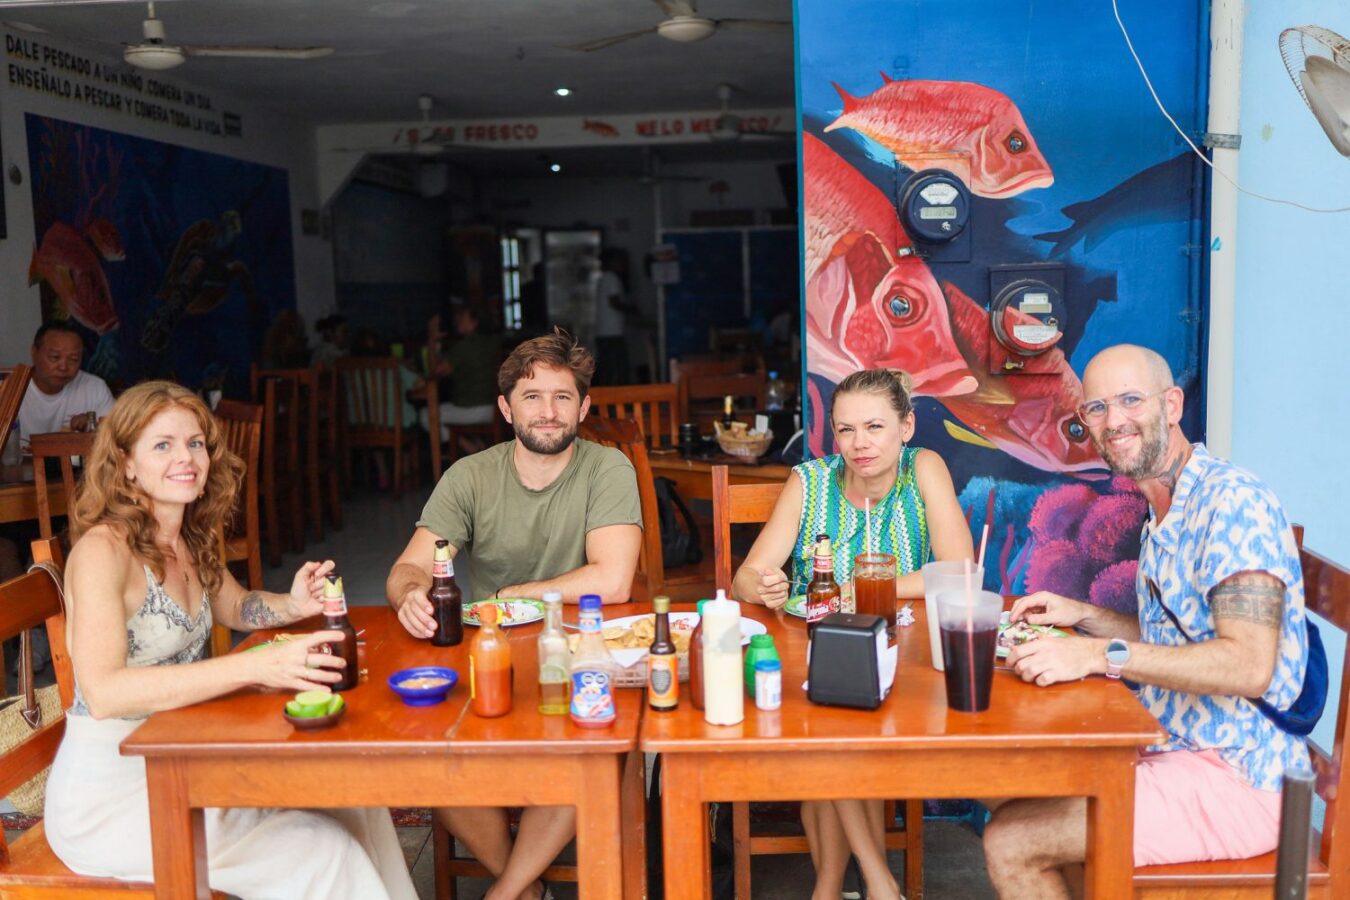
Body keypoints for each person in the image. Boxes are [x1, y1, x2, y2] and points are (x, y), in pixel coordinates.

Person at [43, 380, 416, 899]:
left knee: (354, 801)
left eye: (195, 443)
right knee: (323, 852)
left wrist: (293, 605)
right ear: (125, 463)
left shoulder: (186, 538)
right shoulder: (102, 552)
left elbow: (238, 606)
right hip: (113, 795)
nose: (186, 457)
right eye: (163, 445)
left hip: (183, 758)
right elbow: (104, 693)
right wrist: (255, 666)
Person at [982, 344, 1311, 897]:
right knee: (1007, 783)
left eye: (1131, 400)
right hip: (1172, 747)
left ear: (1172, 405)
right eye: (1097, 408)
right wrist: (1086, 617)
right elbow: (1177, 640)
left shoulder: (1232, 503)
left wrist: (1096, 655)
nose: (1114, 421)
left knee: (1011, 840)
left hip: (1243, 776)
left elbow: (1248, 666)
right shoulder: (1164, 508)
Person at [386, 328, 641, 900]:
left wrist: (516, 593)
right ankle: (524, 891)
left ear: (584, 407)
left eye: (562, 396)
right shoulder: (470, 475)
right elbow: (409, 567)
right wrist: (410, 594)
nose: (548, 412)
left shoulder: (608, 468)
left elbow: (613, 579)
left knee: (593, 756)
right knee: (429, 758)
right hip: (490, 653)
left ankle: (503, 893)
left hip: (580, 652)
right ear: (506, 409)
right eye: (532, 397)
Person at [732, 368, 974, 900]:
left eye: (874, 427)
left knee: (833, 740)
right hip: (811, 655)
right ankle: (877, 881)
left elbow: (958, 571)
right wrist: (764, 585)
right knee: (830, 726)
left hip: (901, 660)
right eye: (846, 430)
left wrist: (855, 589)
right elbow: (744, 578)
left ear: (906, 427)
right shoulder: (809, 481)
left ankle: (830, 887)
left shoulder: (923, 468)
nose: (859, 443)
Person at [18, 322, 114, 451]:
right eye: (55, 357)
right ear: (34, 353)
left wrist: (93, 428)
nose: (63, 367)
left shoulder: (95, 388)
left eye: (73, 359)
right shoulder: (10, 388)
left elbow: (115, 438)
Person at [422, 306, 501, 440]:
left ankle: (466, 446)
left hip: (472, 408)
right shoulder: (494, 342)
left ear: (474, 322)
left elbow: (435, 371)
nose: (457, 320)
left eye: (462, 317)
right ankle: (474, 445)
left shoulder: (465, 346)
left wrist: (431, 339)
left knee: (426, 415)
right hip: (496, 408)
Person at [592, 249, 638, 386]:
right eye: (620, 261)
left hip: (603, 332)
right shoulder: (612, 278)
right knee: (619, 367)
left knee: (607, 368)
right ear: (612, 262)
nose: (623, 265)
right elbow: (614, 302)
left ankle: (606, 396)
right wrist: (632, 309)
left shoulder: (603, 279)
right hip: (612, 332)